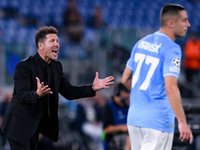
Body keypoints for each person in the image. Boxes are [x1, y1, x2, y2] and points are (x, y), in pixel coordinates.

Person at [0, 26, 114, 150]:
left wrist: (92, 88)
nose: (57, 44)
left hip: (36, 126)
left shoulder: (56, 67)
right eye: (52, 41)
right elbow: (22, 96)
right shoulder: (24, 67)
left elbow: (69, 92)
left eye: (58, 41)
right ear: (40, 45)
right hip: (18, 125)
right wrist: (36, 94)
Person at [122, 3, 193, 150]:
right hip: (157, 121)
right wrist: (182, 121)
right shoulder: (172, 49)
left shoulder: (140, 43)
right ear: (171, 23)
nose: (189, 24)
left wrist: (144, 94)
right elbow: (171, 87)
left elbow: (125, 79)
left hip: (135, 119)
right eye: (184, 20)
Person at [102, 83, 130, 150]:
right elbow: (106, 129)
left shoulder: (127, 107)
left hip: (127, 136)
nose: (128, 95)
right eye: (126, 92)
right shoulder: (109, 107)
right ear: (118, 93)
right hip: (113, 140)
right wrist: (123, 127)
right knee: (129, 140)